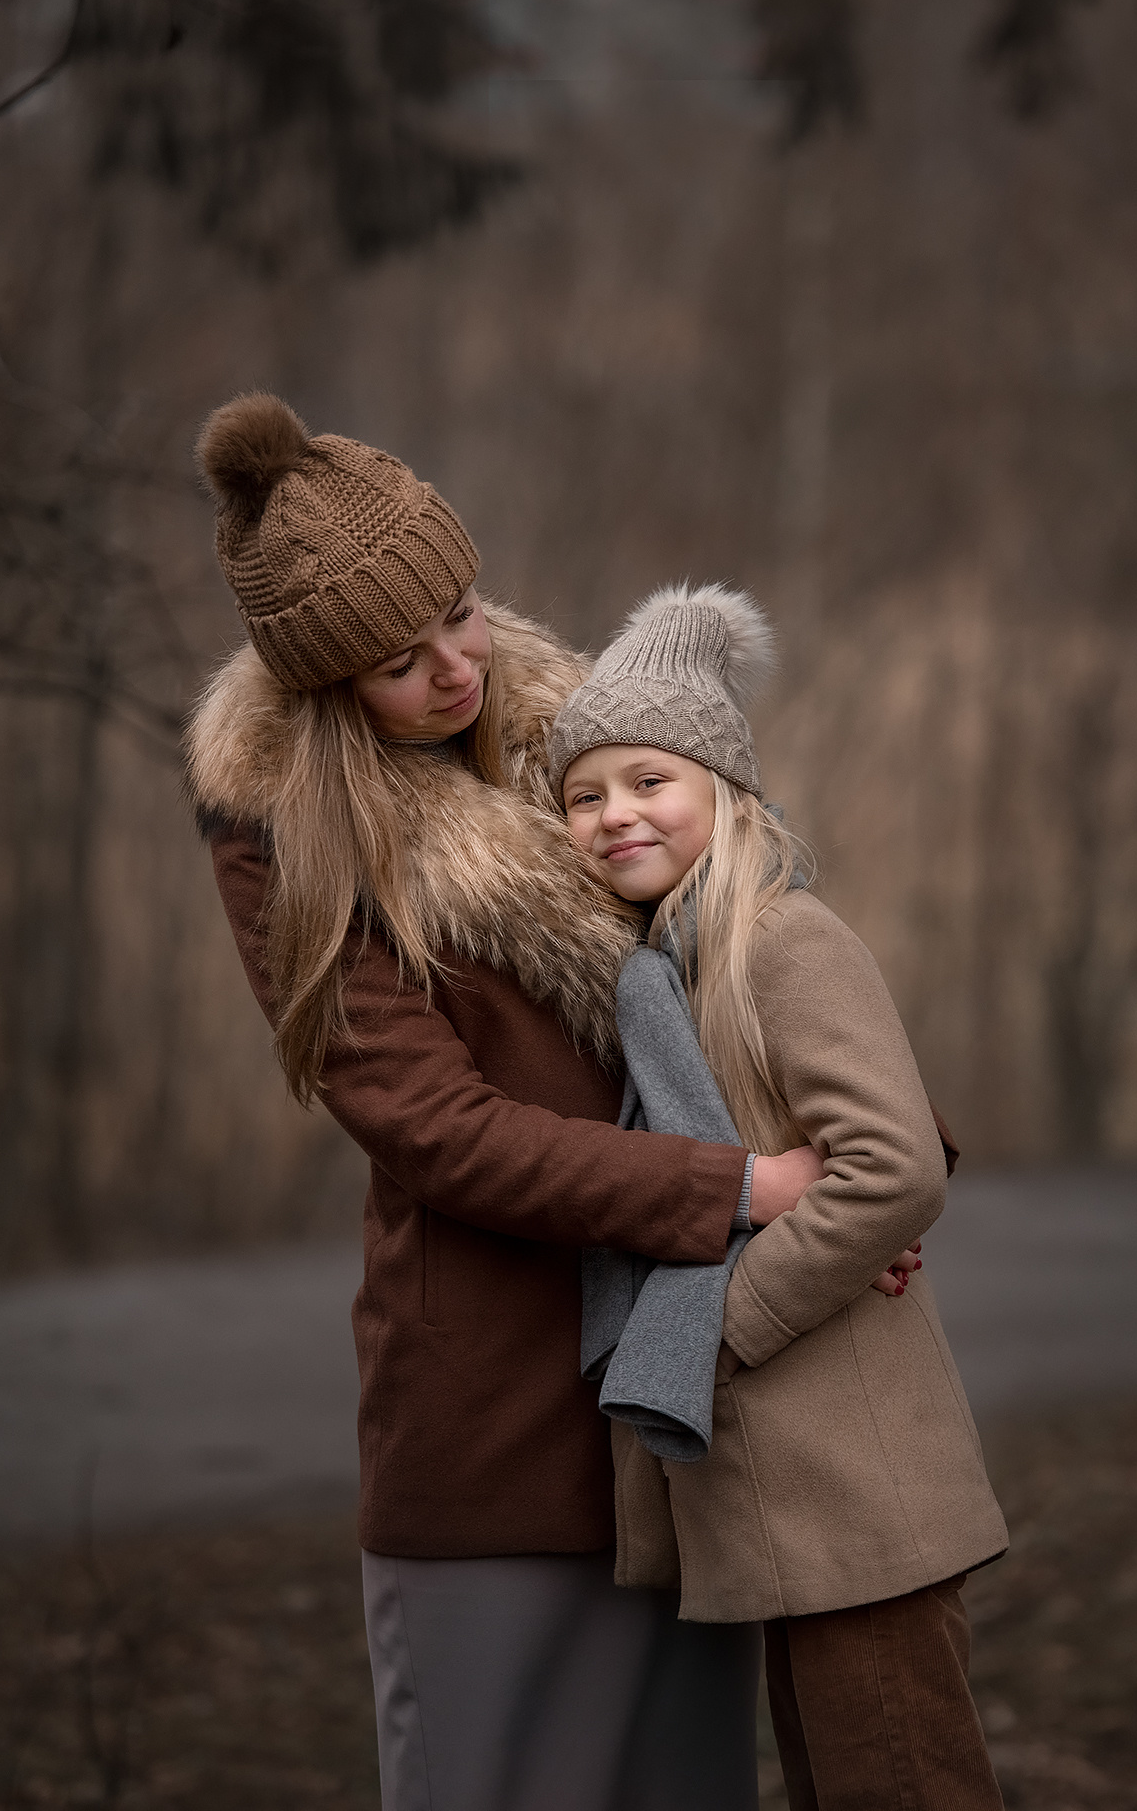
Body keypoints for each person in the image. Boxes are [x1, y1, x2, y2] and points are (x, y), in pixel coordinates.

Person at [182, 393, 830, 1811]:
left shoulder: (594, 740)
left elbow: (770, 967)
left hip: (685, 1412)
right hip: (493, 1430)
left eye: (463, 614)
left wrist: (864, 1173)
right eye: (399, 662)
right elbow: (441, 1135)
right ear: (328, 687)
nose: (455, 667)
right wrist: (733, 1192)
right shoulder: (286, 835)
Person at [548, 582, 1011, 1811]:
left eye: (648, 780)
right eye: (582, 796)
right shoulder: (665, 974)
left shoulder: (777, 939)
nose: (613, 814)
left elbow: (891, 1167)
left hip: (857, 1490)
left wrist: (725, 1325)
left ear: (722, 789)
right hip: (791, 1503)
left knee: (904, 1787)